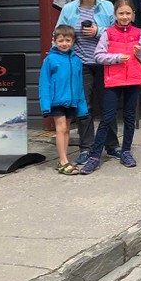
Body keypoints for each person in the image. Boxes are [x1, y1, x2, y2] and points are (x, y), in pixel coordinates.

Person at [55, 0, 120, 164]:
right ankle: (87, 148)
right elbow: (58, 34)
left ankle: (112, 145)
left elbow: (117, 33)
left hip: (104, 63)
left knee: (108, 105)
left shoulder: (107, 7)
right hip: (80, 63)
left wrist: (98, 31)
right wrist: (54, 58)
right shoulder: (68, 9)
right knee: (84, 107)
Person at [79, 0, 141, 174]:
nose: (124, 17)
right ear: (115, 15)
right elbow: (98, 56)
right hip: (113, 80)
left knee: (130, 117)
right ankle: (95, 156)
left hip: (132, 79)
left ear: (133, 14)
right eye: (121, 13)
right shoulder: (107, 33)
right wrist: (116, 58)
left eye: (128, 13)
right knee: (107, 118)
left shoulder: (138, 33)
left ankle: (126, 151)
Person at [39, 24, 89, 175]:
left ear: (73, 41)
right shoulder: (50, 60)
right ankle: (63, 161)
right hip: (57, 101)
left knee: (66, 129)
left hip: (72, 101)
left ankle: (63, 158)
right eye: (60, 40)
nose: (64, 43)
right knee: (60, 129)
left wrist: (82, 107)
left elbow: (79, 85)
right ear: (54, 41)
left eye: (67, 40)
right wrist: (45, 105)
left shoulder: (76, 61)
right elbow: (44, 83)